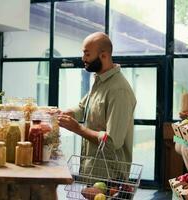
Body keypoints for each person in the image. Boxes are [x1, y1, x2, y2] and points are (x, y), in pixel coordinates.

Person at [57, 32, 137, 179]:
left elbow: (111, 142)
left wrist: (78, 128)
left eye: (87, 54)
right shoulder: (100, 81)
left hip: (110, 178)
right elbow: (83, 107)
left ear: (104, 56)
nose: (83, 59)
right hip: (95, 172)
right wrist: (62, 114)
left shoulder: (119, 90)